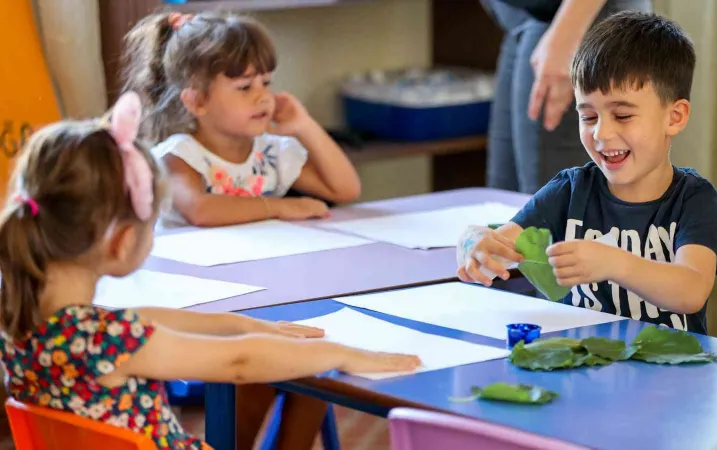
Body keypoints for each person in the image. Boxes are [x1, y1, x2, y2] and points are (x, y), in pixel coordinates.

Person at [0, 92, 420, 449]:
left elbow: (153, 320)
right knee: (296, 377)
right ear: (122, 242)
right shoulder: (109, 338)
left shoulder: (27, 318)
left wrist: (237, 323)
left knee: (295, 379)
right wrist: (341, 352)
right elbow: (238, 363)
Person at [457, 12, 717, 335]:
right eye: (588, 116)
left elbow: (691, 291)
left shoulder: (695, 199)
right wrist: (474, 242)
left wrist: (615, 263)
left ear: (675, 117)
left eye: (623, 115)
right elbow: (501, 242)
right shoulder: (568, 191)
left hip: (673, 376)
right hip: (585, 368)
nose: (601, 133)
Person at [122, 12, 361, 227]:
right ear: (197, 101)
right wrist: (282, 207)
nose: (263, 97)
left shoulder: (270, 154)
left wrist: (305, 126)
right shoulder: (178, 156)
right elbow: (201, 210)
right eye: (245, 87)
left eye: (266, 83)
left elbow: (344, 189)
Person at [482, 0, 652, 194]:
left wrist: (567, 38)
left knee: (554, 212)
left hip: (573, 21)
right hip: (530, 16)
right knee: (508, 202)